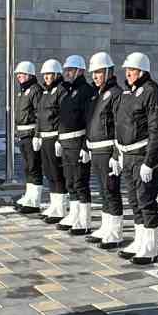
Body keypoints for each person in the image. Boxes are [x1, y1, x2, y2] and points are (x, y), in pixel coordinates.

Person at [115, 53, 158, 264]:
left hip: (142, 154)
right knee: (134, 200)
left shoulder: (152, 92)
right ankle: (139, 240)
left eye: (132, 70)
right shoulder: (128, 93)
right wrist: (117, 153)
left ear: (142, 71)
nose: (128, 74)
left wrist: (150, 161)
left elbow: (155, 129)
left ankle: (150, 246)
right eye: (127, 70)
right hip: (127, 155)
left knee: (146, 201)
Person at [83, 52, 124, 249]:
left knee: (111, 190)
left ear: (108, 72)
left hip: (108, 150)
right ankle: (106, 227)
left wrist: (117, 154)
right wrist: (87, 145)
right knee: (103, 191)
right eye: (94, 73)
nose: (95, 76)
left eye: (99, 72)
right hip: (97, 149)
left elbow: (119, 125)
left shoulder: (115, 94)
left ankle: (115, 232)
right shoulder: (96, 94)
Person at [56, 54, 95, 234]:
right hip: (66, 143)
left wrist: (86, 147)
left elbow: (89, 120)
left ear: (80, 71)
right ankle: (74, 214)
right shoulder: (68, 91)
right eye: (66, 70)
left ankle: (84, 220)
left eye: (70, 70)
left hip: (78, 142)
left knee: (80, 182)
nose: (67, 73)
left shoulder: (86, 91)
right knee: (70, 181)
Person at [33, 60, 69, 223]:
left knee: (57, 173)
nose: (46, 77)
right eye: (45, 75)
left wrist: (60, 138)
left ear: (56, 74)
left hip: (54, 137)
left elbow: (63, 116)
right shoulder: (46, 92)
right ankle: (54, 205)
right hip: (45, 137)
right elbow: (39, 116)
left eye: (49, 74)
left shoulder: (61, 91)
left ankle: (60, 207)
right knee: (49, 173)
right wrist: (37, 134)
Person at [10, 61, 44, 212]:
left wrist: (38, 134)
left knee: (34, 167)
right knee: (27, 168)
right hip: (23, 134)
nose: (19, 77)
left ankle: (34, 200)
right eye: (18, 75)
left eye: (21, 74)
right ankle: (29, 196)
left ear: (29, 74)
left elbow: (39, 115)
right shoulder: (22, 91)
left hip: (31, 134)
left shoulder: (35, 90)